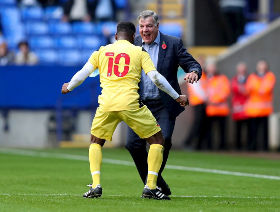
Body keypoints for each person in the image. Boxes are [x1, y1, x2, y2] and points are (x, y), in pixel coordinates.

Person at [61, 22, 188, 200]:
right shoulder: (138, 52)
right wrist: (177, 96)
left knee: (96, 141)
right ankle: (151, 186)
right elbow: (156, 78)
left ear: (115, 36)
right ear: (133, 36)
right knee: (158, 140)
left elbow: (83, 73)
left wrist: (69, 87)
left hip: (106, 104)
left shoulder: (101, 52)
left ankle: (96, 185)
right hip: (130, 104)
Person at [125, 10, 202, 196]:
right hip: (139, 105)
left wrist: (193, 72)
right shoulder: (132, 44)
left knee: (164, 139)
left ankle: (151, 184)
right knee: (133, 144)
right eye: (142, 27)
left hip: (163, 104)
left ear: (157, 27)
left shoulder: (173, 43)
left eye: (149, 26)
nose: (145, 30)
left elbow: (192, 64)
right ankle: (155, 181)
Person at [245, 60, 276, 151]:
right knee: (252, 130)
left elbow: (265, 89)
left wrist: (256, 88)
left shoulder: (270, 76)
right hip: (253, 110)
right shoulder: (252, 76)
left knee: (265, 131)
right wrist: (258, 88)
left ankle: (265, 148)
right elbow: (248, 89)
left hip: (265, 109)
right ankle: (252, 147)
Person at [205, 61, 230, 150]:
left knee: (222, 130)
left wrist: (216, 101)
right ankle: (210, 146)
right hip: (210, 110)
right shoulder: (206, 79)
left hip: (221, 109)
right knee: (209, 130)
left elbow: (226, 91)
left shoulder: (223, 78)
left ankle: (222, 146)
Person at [184, 55, 207, 150]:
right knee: (197, 122)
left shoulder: (203, 74)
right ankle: (188, 142)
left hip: (202, 101)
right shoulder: (194, 72)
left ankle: (198, 144)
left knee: (202, 123)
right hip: (198, 101)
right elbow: (196, 88)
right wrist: (206, 97)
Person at [231, 62, 249, 150]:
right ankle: (237, 145)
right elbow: (235, 88)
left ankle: (247, 146)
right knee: (238, 127)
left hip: (247, 107)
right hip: (237, 107)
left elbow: (249, 89)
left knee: (248, 127)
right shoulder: (234, 79)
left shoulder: (249, 79)